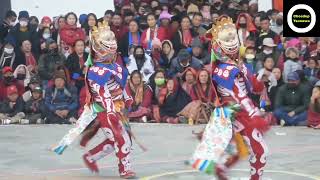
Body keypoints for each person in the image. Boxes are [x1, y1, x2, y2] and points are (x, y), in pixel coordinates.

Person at [53, 21, 136, 179]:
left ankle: (91, 157)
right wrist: (111, 111)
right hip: (105, 111)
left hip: (118, 109)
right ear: (100, 48)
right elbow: (102, 94)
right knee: (122, 139)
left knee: (117, 140)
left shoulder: (117, 65)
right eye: (108, 46)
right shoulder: (95, 71)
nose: (112, 50)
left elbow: (122, 84)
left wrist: (127, 98)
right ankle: (125, 169)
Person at [202, 16, 268, 180]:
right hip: (236, 114)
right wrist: (253, 113)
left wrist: (260, 80)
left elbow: (255, 87)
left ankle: (221, 168)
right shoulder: (222, 70)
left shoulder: (240, 65)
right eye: (227, 38)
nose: (232, 41)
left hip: (241, 113)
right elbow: (237, 96)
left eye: (233, 37)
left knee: (243, 149)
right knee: (261, 151)